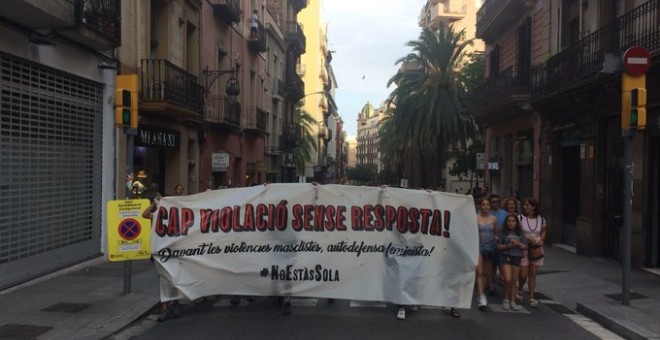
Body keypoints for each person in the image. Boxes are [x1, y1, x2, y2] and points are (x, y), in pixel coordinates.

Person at [518, 198, 548, 308]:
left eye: (527, 205)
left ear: (533, 207)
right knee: (523, 274)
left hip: (536, 249)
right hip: (524, 248)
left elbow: (544, 230)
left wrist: (541, 239)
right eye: (525, 205)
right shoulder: (520, 218)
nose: (525, 207)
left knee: (533, 274)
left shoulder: (541, 219)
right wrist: (526, 236)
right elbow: (518, 231)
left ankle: (531, 297)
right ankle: (520, 288)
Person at [496, 214, 526, 310]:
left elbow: (525, 246)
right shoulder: (503, 232)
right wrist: (509, 245)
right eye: (509, 221)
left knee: (513, 280)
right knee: (507, 279)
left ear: (516, 223)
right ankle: (505, 299)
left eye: (513, 221)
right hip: (506, 256)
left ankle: (512, 300)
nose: (510, 223)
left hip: (517, 257)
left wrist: (517, 243)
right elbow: (499, 246)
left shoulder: (520, 233)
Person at [476, 198, 498, 310]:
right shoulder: (475, 218)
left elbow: (495, 233)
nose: (485, 206)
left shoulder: (494, 219)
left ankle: (482, 292)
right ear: (480, 206)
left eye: (487, 204)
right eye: (483, 204)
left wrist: (497, 239)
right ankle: (481, 295)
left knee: (487, 273)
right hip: (478, 247)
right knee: (479, 271)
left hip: (490, 247)